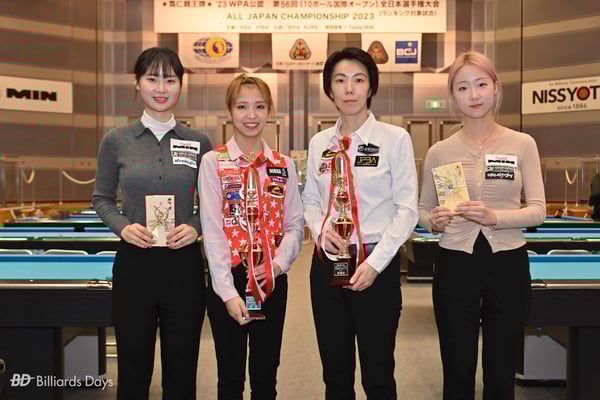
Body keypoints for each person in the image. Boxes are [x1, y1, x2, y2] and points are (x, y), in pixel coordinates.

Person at [418, 51, 546, 400]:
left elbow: (538, 211)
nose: (473, 95)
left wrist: (495, 217)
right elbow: (422, 210)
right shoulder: (439, 151)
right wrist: (433, 221)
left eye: (481, 84)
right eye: (462, 88)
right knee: (457, 368)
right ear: (453, 96)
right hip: (455, 263)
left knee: (501, 369)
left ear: (496, 88)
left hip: (507, 262)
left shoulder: (522, 144)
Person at [93, 47, 212, 399]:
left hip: (184, 266)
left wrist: (195, 227)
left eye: (170, 80)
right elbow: (101, 199)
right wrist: (123, 227)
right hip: (135, 266)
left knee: (182, 371)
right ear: (137, 83)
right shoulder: (116, 141)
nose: (161, 88)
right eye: (152, 79)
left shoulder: (199, 142)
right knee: (133, 372)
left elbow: (212, 204)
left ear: (181, 86)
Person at [302, 47, 419, 399]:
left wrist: (376, 264)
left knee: (378, 374)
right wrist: (321, 232)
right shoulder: (320, 143)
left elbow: (407, 210)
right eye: (340, 80)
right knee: (335, 375)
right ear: (329, 88)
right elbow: (310, 201)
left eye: (358, 80)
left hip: (376, 267)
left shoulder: (394, 139)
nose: (349, 89)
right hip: (327, 266)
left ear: (371, 87)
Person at [199, 74, 304, 399]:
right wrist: (227, 293)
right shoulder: (213, 162)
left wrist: (277, 265)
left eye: (259, 106)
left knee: (265, 377)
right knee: (230, 378)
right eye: (242, 106)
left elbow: (295, 225)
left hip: (271, 278)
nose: (251, 115)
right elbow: (212, 230)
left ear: (270, 111)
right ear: (229, 111)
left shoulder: (283, 165)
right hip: (228, 278)